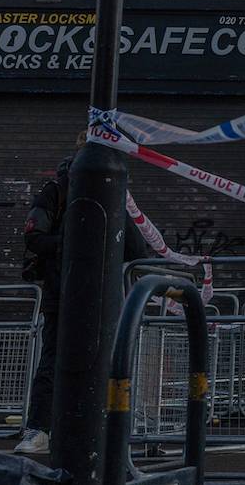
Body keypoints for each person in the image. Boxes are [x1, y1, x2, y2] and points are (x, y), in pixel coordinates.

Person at [18, 145, 148, 454]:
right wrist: (79, 240)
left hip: (85, 298)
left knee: (77, 361)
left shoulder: (100, 197)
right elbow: (34, 237)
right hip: (74, 296)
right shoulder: (57, 194)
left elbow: (135, 247)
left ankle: (75, 425)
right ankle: (43, 428)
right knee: (61, 361)